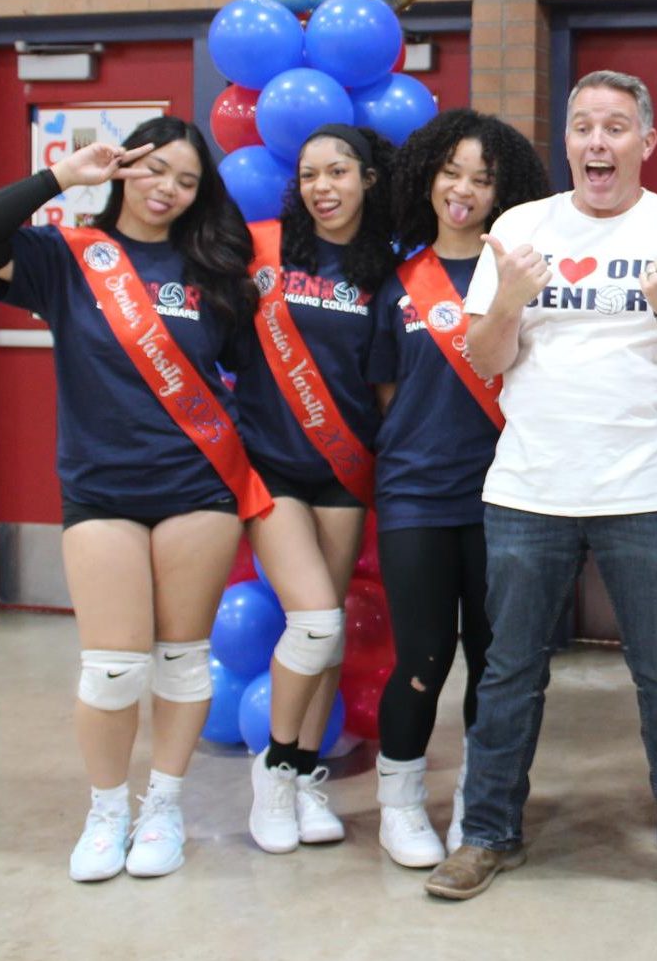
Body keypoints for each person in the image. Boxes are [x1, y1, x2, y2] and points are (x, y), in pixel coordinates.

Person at [425, 70, 657, 912]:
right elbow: (486, 360)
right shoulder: (520, 228)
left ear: (646, 141)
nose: (598, 142)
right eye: (583, 126)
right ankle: (485, 833)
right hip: (529, 487)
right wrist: (511, 300)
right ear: (567, 141)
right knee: (508, 672)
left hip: (644, 490)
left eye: (616, 127)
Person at [0, 117, 265, 882]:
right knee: (113, 669)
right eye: (156, 169)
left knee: (182, 662)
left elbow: (245, 379)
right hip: (100, 492)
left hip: (196, 489)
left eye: (187, 180)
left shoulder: (213, 271)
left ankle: (164, 803)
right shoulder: (66, 258)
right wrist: (68, 176)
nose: (168, 188)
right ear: (127, 168)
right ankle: (107, 809)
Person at [369, 109, 548, 868]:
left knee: (495, 656)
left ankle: (483, 800)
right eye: (452, 171)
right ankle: (400, 800)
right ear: (427, 176)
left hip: (504, 493)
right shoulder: (398, 280)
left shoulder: (521, 270)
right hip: (413, 494)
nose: (464, 189)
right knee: (421, 654)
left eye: (483, 177)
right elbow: (388, 395)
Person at [233, 124, 397, 855]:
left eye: (337, 171)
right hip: (271, 466)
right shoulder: (262, 250)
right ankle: (271, 775)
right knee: (316, 625)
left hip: (343, 468)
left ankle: (303, 778)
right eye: (308, 174)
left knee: (325, 632)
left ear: (366, 177)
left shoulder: (387, 268)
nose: (322, 186)